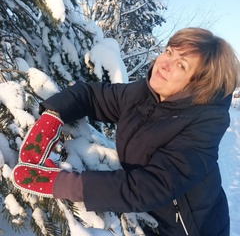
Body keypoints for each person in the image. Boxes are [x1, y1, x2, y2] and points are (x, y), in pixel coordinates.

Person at [12, 27, 240, 236]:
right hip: (147, 218)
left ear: (199, 85)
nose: (164, 64)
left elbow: (151, 186)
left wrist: (62, 183)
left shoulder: (205, 124)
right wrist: (51, 117)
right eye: (169, 52)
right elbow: (92, 95)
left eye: (182, 65)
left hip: (190, 229)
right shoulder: (145, 94)